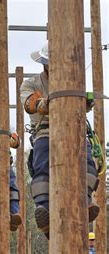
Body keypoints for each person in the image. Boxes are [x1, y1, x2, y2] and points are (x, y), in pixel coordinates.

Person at [20, 43, 99, 238]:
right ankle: (44, 210)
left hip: (74, 130)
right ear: (44, 63)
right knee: (43, 166)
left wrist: (85, 102)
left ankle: (85, 200)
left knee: (88, 163)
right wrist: (45, 102)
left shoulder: (73, 79)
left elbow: (81, 104)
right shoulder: (31, 83)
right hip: (45, 131)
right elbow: (30, 104)